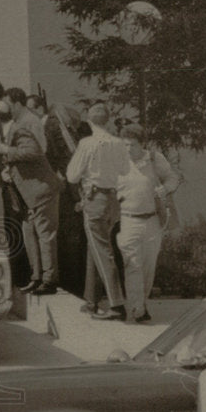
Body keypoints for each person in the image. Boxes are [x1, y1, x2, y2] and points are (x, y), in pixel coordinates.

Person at [67, 103, 130, 321]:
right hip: (113, 199)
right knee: (98, 247)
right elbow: (125, 170)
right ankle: (91, 301)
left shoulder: (87, 143)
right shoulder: (118, 143)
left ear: (90, 121)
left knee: (102, 250)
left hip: (95, 198)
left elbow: (72, 176)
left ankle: (116, 304)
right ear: (108, 120)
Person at [0, 88, 61, 294]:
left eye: (6, 104)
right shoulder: (20, 122)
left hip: (40, 189)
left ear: (16, 104)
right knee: (32, 233)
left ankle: (49, 280)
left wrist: (7, 151)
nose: (4, 109)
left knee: (44, 235)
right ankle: (38, 277)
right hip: (32, 191)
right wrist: (10, 170)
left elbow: (34, 151)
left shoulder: (26, 123)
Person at [116, 124, 180, 323]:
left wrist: (165, 188)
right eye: (125, 145)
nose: (128, 149)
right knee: (132, 264)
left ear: (142, 144)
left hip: (152, 220)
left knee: (148, 266)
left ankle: (141, 302)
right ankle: (137, 308)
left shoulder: (154, 158)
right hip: (127, 220)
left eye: (132, 145)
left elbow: (172, 178)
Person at [33, 99, 92, 297]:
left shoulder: (49, 125)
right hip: (75, 187)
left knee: (68, 237)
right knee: (75, 237)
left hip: (66, 189)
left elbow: (54, 159)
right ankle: (81, 284)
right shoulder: (64, 126)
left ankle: (73, 284)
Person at [0, 79, 30, 289]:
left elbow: (2, 149)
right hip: (6, 180)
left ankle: (20, 276)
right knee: (14, 227)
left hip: (11, 182)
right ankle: (20, 274)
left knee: (14, 227)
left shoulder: (0, 115)